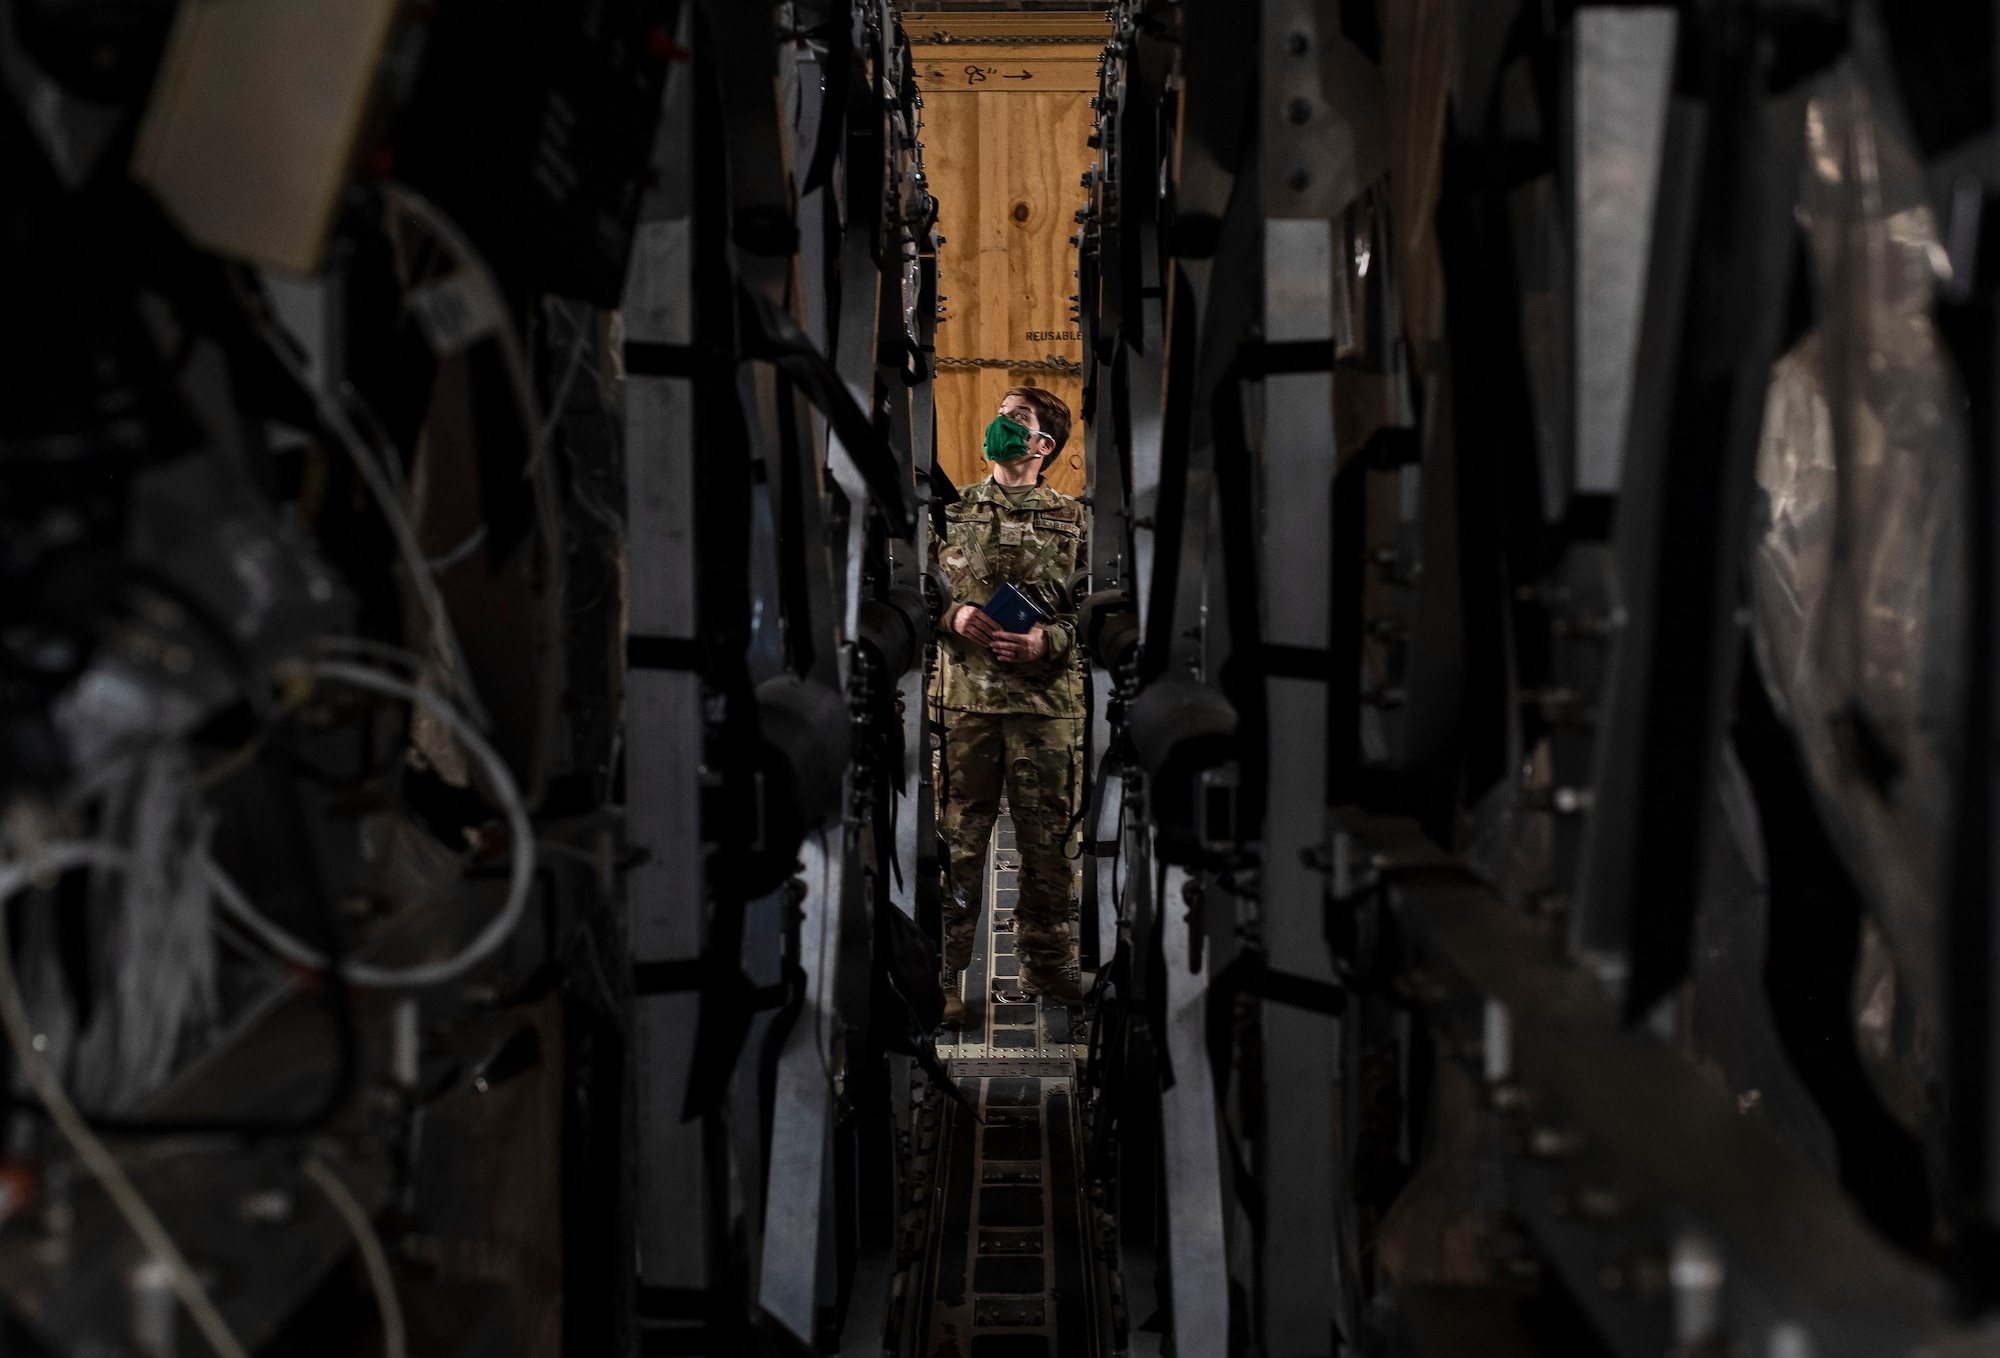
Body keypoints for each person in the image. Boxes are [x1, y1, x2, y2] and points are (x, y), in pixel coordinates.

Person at [932, 386, 1087, 1026]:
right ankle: (942, 974)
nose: (1000, 421)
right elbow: (915, 593)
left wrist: (1047, 640)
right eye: (999, 411)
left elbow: (1095, 613)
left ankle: (1047, 963)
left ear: (1042, 445)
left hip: (1046, 707)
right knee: (956, 844)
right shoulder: (948, 513)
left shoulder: (1078, 520)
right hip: (968, 705)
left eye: (1015, 417)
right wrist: (953, 612)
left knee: (1048, 844)